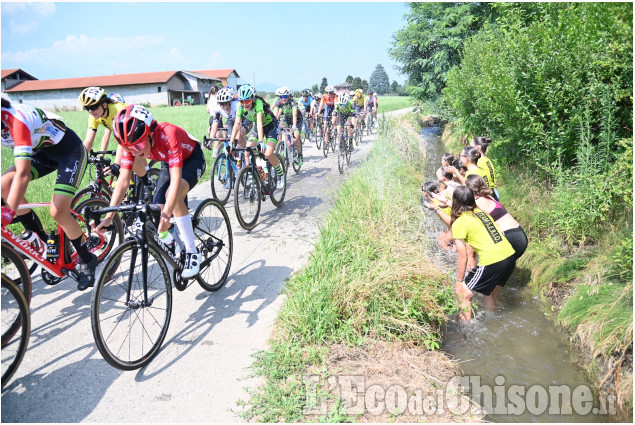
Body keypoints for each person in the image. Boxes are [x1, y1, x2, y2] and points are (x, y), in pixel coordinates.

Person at [94, 105, 206, 279]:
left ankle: (192, 252)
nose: (135, 151)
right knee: (156, 210)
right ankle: (177, 243)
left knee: (172, 197)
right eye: (129, 148)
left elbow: (176, 179)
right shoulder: (131, 144)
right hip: (167, 161)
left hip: (191, 159)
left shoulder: (169, 134)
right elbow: (123, 182)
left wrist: (167, 215)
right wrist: (109, 217)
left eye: (138, 145)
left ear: (151, 133)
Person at [1, 98, 97, 290]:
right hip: (43, 153)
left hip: (69, 152)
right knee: (4, 185)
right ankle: (42, 242)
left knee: (58, 211)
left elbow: (23, 173)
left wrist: (8, 212)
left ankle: (87, 259)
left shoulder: (16, 120)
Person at [450, 186, 516, 322]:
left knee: (463, 294)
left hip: (493, 261)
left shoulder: (459, 222)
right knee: (488, 290)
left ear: (455, 201)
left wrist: (459, 281)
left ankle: (466, 330)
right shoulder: (482, 213)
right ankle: (491, 320)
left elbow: (462, 255)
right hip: (509, 256)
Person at [230, 84, 285, 189]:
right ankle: (254, 181)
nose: (245, 104)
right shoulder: (240, 106)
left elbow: (259, 122)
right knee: (247, 152)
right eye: (242, 101)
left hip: (271, 126)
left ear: (253, 99)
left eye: (247, 101)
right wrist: (231, 142)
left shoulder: (258, 103)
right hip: (257, 128)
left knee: (268, 153)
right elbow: (237, 124)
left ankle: (280, 174)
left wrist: (260, 141)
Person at [465, 175, 528, 259]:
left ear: (469, 190)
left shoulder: (479, 203)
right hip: (519, 234)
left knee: (491, 266)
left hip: (511, 237)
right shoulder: (488, 197)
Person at [206, 87, 248, 159]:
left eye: (225, 103)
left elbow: (238, 125)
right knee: (229, 145)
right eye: (221, 104)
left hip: (245, 121)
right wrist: (211, 140)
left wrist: (236, 141)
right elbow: (215, 124)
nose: (223, 106)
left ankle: (247, 153)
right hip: (233, 122)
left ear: (230, 102)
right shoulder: (218, 108)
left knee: (239, 137)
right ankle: (231, 168)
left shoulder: (236, 106)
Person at [273, 87, 303, 166]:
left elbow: (294, 115)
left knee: (295, 139)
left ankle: (299, 155)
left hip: (297, 119)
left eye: (285, 96)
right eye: (281, 97)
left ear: (289, 96)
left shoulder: (293, 103)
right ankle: (282, 145)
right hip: (287, 119)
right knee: (279, 128)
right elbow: (275, 115)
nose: (283, 99)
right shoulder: (279, 103)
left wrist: (294, 126)